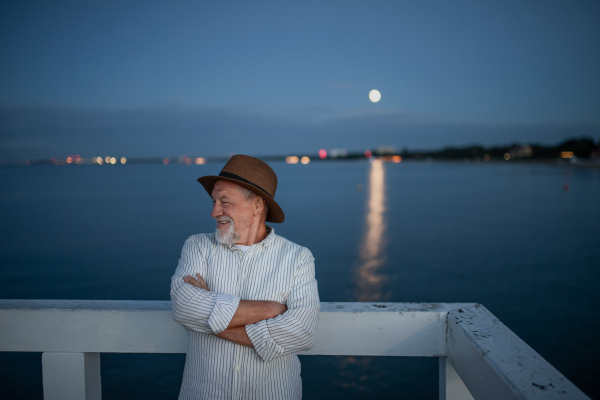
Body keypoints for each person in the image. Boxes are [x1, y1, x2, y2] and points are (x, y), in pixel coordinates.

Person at [170, 154, 320, 400]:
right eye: (214, 201)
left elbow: (303, 332)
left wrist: (211, 319)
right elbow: (183, 307)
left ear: (258, 205)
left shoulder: (297, 258)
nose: (213, 212)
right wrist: (271, 310)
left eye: (224, 202)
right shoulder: (197, 246)